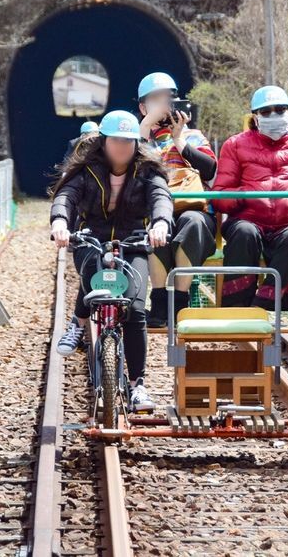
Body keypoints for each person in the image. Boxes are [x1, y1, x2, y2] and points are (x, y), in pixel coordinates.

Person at [49, 110, 173, 412]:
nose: (122, 147)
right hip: (93, 235)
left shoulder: (147, 169)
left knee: (135, 310)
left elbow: (161, 197)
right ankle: (79, 324)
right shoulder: (87, 168)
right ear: (104, 141)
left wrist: (160, 224)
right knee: (93, 272)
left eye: (128, 141)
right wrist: (60, 223)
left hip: (133, 241)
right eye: (116, 140)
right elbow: (66, 196)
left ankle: (137, 386)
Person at [212, 85, 288, 310]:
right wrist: (245, 195)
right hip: (250, 220)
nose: (274, 116)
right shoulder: (235, 145)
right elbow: (219, 197)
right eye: (266, 112)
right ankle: (236, 306)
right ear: (255, 117)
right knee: (244, 233)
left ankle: (264, 306)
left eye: (280, 110)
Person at [135, 72, 218, 327]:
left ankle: (180, 302)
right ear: (142, 106)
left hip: (192, 208)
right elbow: (130, 172)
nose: (164, 104)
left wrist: (179, 139)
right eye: (156, 99)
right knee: (155, 227)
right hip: (154, 209)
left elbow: (211, 171)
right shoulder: (137, 139)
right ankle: (159, 302)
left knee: (193, 222)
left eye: (169, 99)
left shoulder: (193, 135)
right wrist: (145, 128)